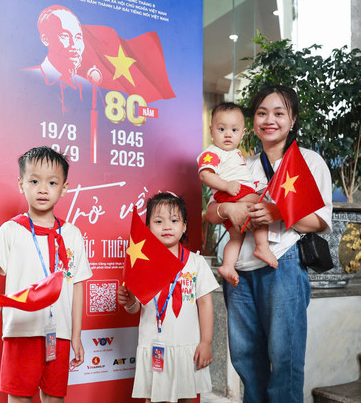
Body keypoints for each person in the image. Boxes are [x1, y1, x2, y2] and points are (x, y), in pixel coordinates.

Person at [206, 86, 332, 403]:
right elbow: (210, 211)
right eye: (262, 113)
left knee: (284, 358)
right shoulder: (240, 163)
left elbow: (321, 220)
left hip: (283, 265)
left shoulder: (309, 162)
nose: (269, 120)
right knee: (246, 359)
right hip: (239, 272)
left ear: (293, 119)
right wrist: (228, 210)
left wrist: (281, 212)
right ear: (253, 121)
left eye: (279, 113)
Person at [0, 146, 92, 403]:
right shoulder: (10, 230)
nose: (43, 189)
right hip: (20, 332)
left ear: (64, 188)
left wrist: (76, 336)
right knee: (19, 398)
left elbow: (77, 288)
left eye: (52, 182)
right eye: (34, 181)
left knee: (55, 398)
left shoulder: (72, 234)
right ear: (21, 184)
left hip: (59, 334)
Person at [117, 193, 219, 403]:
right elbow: (136, 307)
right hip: (154, 346)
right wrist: (129, 301)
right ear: (147, 228)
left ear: (184, 226)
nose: (167, 227)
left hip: (187, 346)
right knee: (153, 397)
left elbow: (205, 304)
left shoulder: (196, 263)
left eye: (174, 220)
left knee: (187, 397)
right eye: (158, 221)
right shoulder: (142, 264)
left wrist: (206, 341)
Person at [198, 102, 278, 287]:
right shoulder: (213, 153)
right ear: (211, 131)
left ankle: (227, 265)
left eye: (234, 130)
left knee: (236, 236)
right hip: (231, 192)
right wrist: (226, 185)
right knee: (261, 205)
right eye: (222, 129)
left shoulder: (236, 154)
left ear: (242, 133)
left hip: (232, 195)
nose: (228, 134)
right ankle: (262, 246)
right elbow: (205, 175)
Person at [27, 5, 92, 113]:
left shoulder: (90, 88)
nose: (74, 45)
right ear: (46, 39)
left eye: (78, 37)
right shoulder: (26, 79)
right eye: (65, 36)